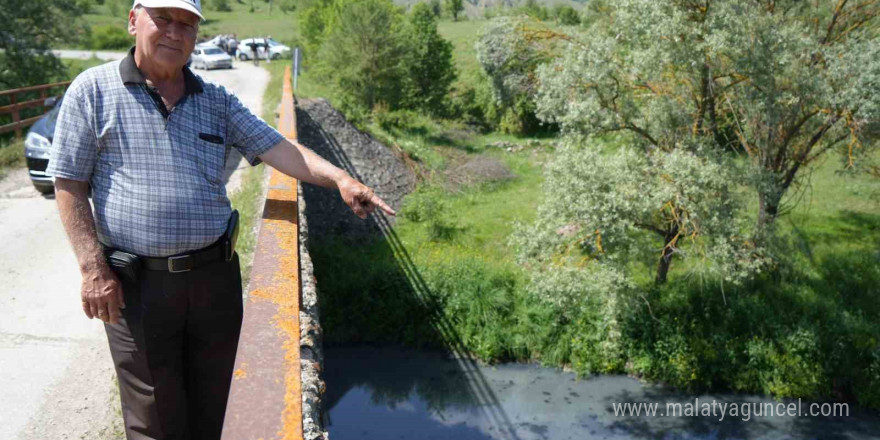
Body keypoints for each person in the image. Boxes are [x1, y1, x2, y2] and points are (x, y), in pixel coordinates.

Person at [46, 0, 395, 439]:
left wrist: (341, 179)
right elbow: (70, 183)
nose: (176, 33)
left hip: (214, 281)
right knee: (155, 418)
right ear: (134, 20)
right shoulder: (92, 90)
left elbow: (279, 148)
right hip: (136, 287)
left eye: (188, 25)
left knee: (222, 405)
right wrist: (92, 268)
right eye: (165, 20)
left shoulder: (214, 101)